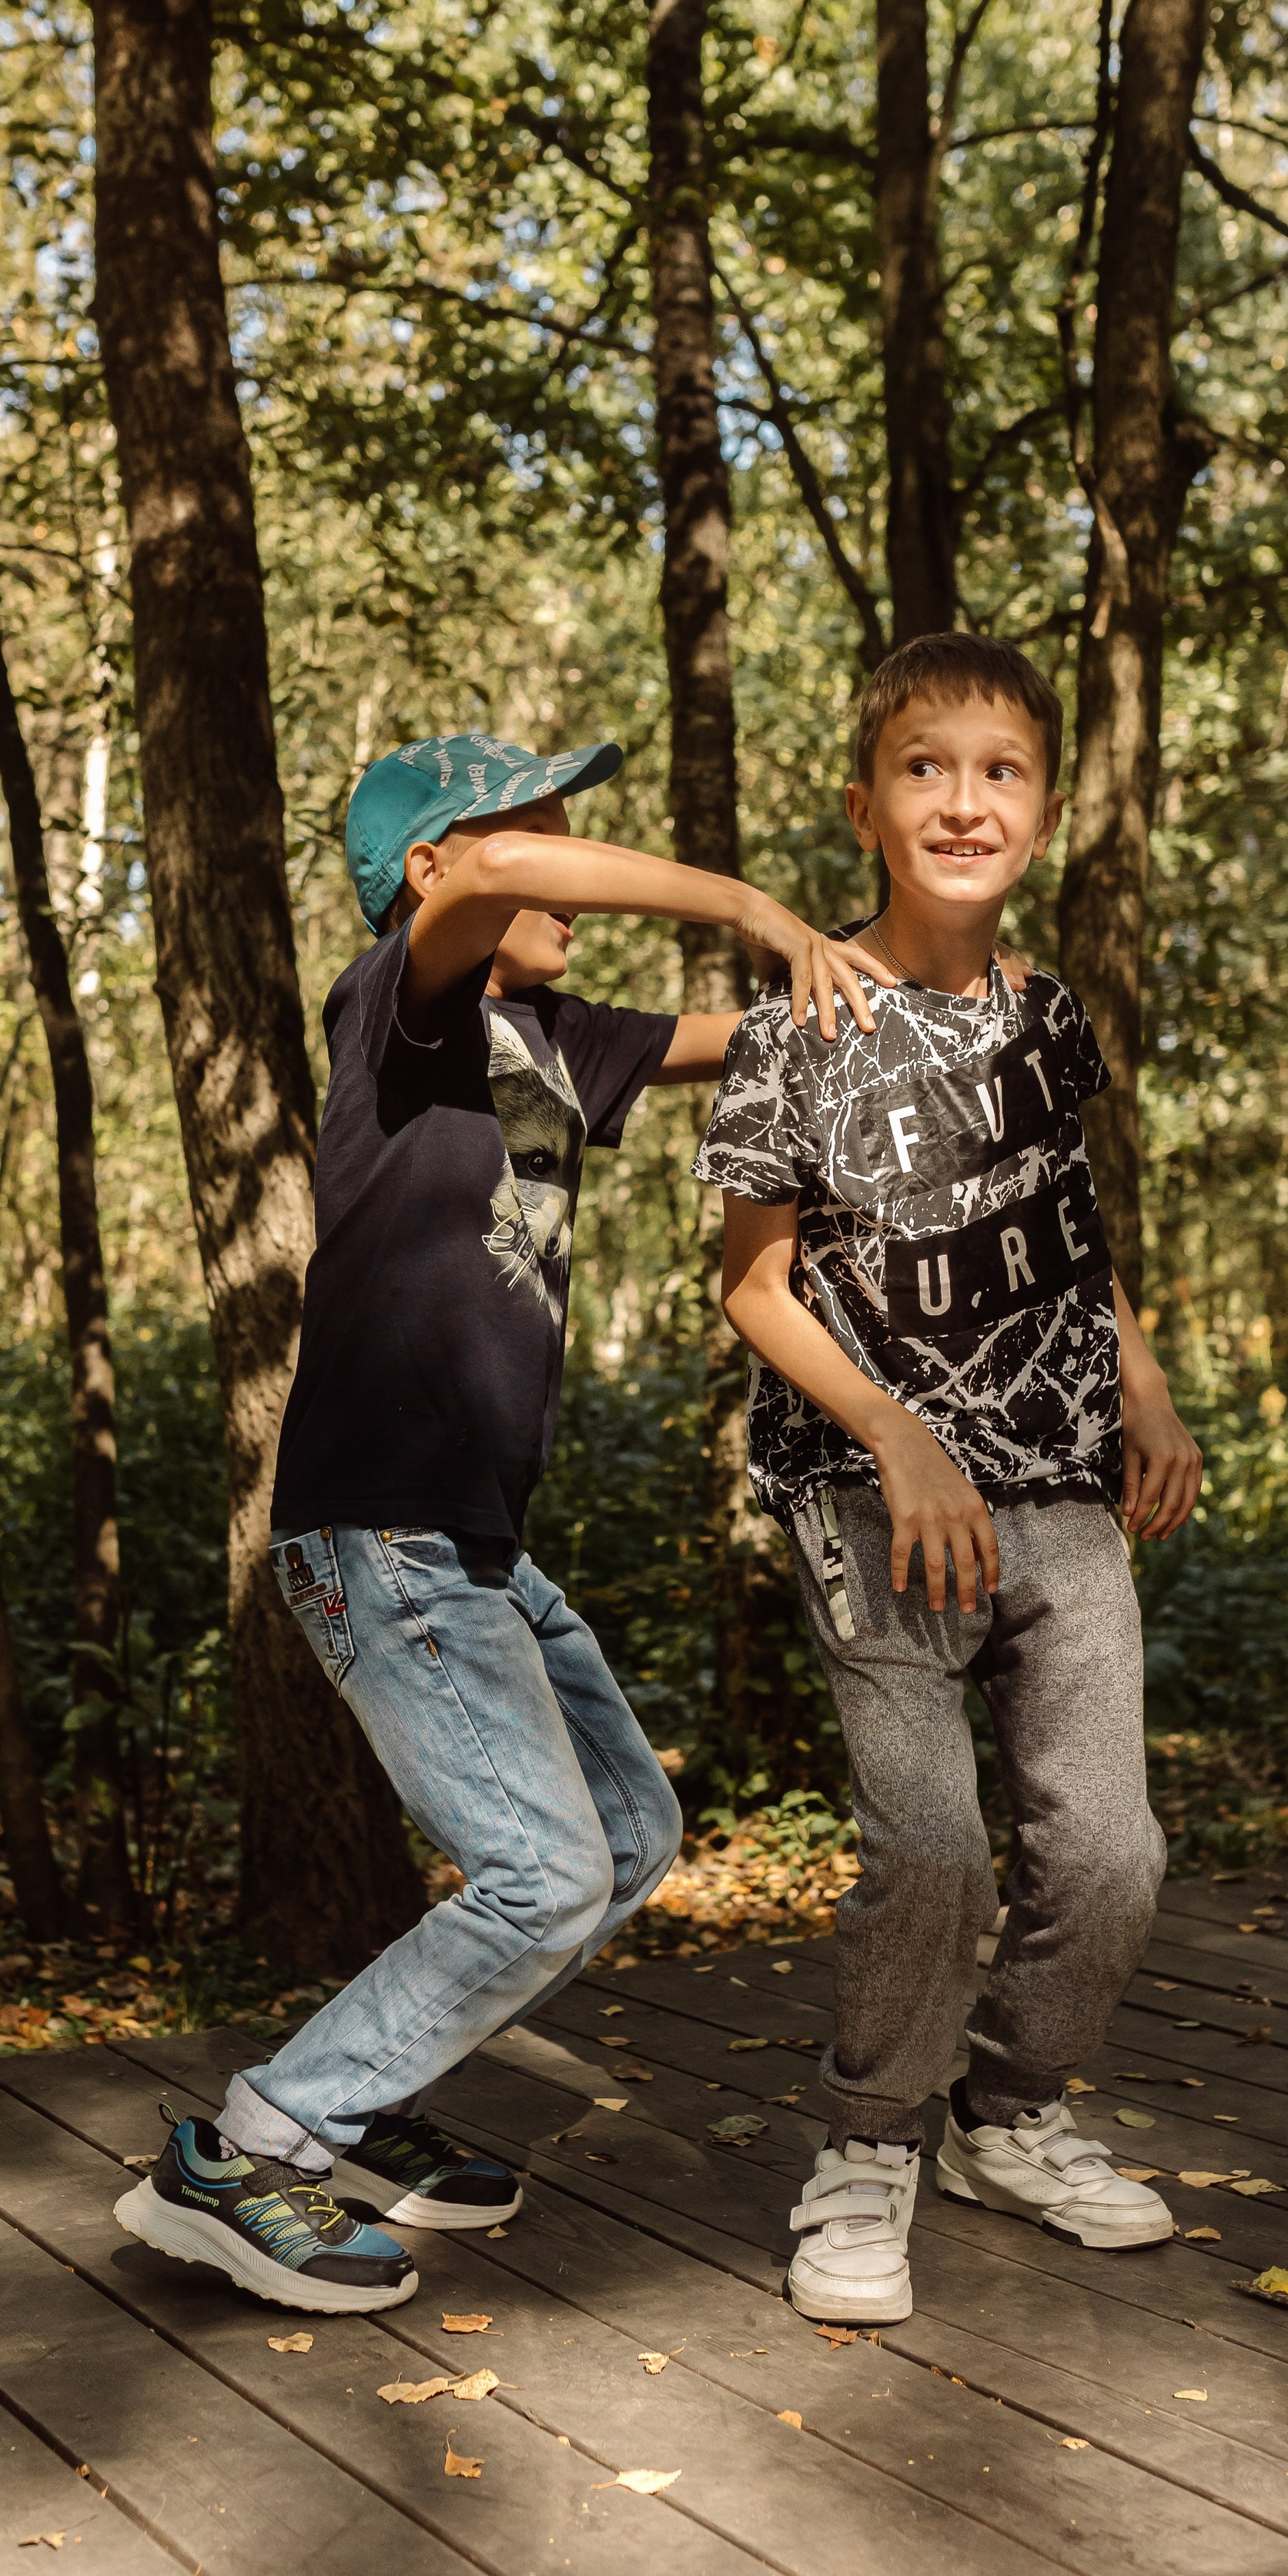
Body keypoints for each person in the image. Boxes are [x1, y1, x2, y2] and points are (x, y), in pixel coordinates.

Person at [118, 729, 888, 2315]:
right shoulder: (398, 1010)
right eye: (538, 832)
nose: (569, 873)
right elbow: (487, 880)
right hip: (379, 1530)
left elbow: (751, 1036)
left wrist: (905, 982)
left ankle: (362, 2087)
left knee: (621, 1838)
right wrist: (746, 897)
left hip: (473, 1548)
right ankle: (250, 2151)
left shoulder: (556, 1037)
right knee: (537, 1868)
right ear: (432, 868)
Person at [692, 634, 1203, 2326]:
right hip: (868, 1495)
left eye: (998, 772)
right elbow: (753, 1286)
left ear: (1044, 812)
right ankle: (865, 2147)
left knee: (1110, 1853)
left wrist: (1138, 1383)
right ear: (865, 804)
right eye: (926, 768)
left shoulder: (1046, 1017)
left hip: (1055, 1483)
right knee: (931, 1850)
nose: (962, 800)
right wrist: (899, 1437)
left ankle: (1008, 2113)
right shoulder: (797, 1023)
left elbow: (1073, 1235)